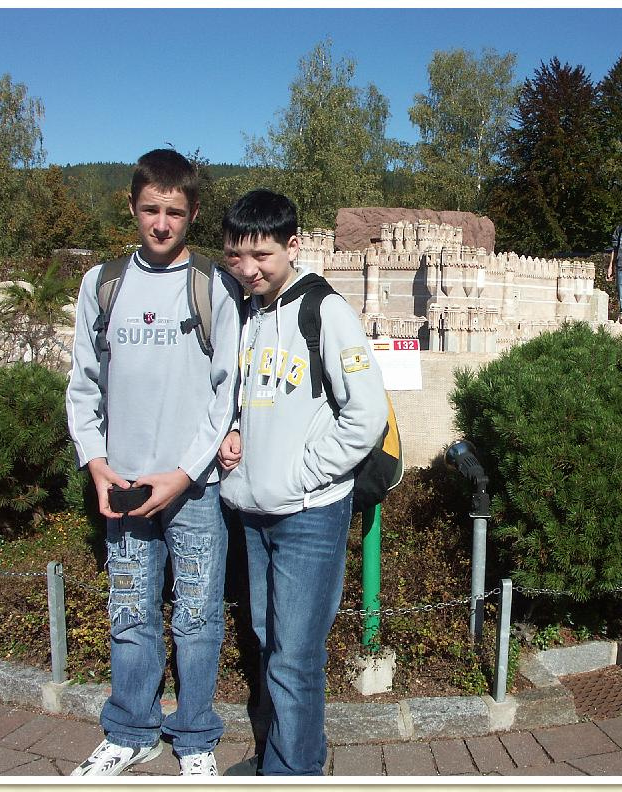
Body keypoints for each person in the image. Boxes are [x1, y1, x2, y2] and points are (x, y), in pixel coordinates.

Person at [66, 149, 242, 776]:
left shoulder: (215, 285)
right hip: (125, 484)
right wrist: (96, 462)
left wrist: (187, 472)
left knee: (197, 618)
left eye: (174, 212)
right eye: (150, 210)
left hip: (193, 488)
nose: (161, 224)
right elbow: (83, 384)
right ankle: (131, 731)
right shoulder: (102, 283)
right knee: (130, 613)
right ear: (132, 207)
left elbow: (227, 389)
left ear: (193, 213)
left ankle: (194, 739)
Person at [217, 189, 388, 776]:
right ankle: (286, 756)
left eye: (261, 255)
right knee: (269, 640)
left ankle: (293, 772)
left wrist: (304, 473)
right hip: (254, 510)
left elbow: (366, 413)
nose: (248, 269)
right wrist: (234, 430)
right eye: (236, 256)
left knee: (295, 656)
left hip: (309, 513)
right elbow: (245, 393)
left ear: (293, 246)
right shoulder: (245, 312)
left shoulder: (324, 311)